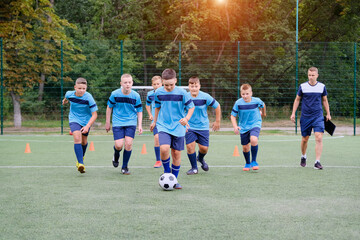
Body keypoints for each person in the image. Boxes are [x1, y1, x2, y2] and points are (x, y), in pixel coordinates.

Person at [150, 68, 195, 189]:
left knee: (176, 154)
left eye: (171, 84)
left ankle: (174, 180)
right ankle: (167, 173)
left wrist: (186, 119)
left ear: (175, 80)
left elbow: (191, 107)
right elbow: (157, 107)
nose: (169, 87)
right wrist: (154, 122)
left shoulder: (182, 93)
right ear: (162, 81)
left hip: (179, 127)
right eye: (166, 85)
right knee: (164, 149)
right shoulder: (158, 92)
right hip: (163, 125)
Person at [290, 66, 331, 170]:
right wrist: (293, 113)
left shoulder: (322, 86)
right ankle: (303, 156)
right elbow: (297, 99)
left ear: (317, 75)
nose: (311, 77)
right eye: (309, 75)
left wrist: (328, 114)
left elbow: (325, 100)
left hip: (318, 116)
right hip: (305, 117)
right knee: (305, 139)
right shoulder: (303, 86)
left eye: (313, 75)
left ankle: (317, 162)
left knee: (319, 137)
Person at [106, 74, 143, 175]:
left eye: (129, 82)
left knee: (128, 143)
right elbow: (109, 107)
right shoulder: (114, 94)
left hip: (131, 122)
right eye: (125, 82)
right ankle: (116, 154)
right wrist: (107, 122)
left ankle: (124, 167)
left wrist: (140, 125)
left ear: (132, 83)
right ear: (121, 83)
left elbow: (139, 110)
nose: (127, 84)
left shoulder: (136, 96)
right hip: (117, 122)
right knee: (118, 145)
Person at [185, 76, 221, 175]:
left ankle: (200, 158)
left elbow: (217, 106)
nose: (194, 88)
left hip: (203, 127)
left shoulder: (205, 97)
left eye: (196, 86)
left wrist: (217, 121)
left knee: (204, 148)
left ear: (199, 86)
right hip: (190, 127)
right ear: (189, 86)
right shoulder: (185, 97)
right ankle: (194, 168)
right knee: (190, 146)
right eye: (192, 86)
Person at [62, 77, 98, 174]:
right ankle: (81, 163)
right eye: (79, 88)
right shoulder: (69, 94)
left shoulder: (88, 97)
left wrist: (87, 126)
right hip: (74, 119)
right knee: (77, 138)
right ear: (75, 87)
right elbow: (67, 98)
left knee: (84, 141)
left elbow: (95, 114)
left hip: (86, 121)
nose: (82, 91)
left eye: (84, 89)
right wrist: (65, 100)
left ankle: (80, 158)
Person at [231, 83, 266, 171]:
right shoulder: (238, 103)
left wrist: (264, 113)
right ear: (241, 94)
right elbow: (232, 116)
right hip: (243, 127)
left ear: (251, 93)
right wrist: (235, 126)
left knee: (254, 139)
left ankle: (254, 161)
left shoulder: (256, 101)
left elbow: (263, 105)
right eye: (243, 94)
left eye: (247, 94)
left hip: (255, 123)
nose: (245, 96)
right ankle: (247, 163)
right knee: (245, 147)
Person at [145, 75, 163, 168]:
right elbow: (147, 105)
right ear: (152, 85)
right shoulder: (150, 94)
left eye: (158, 84)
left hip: (166, 121)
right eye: (154, 84)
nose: (156, 86)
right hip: (156, 121)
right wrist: (150, 115)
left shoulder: (166, 93)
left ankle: (166, 158)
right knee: (156, 139)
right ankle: (158, 161)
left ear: (162, 83)